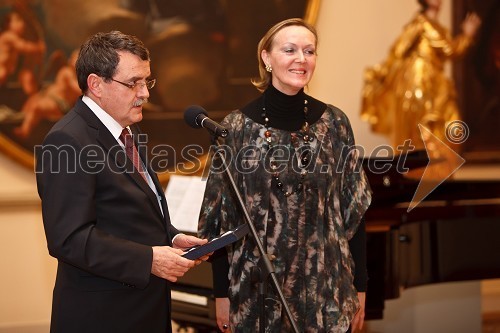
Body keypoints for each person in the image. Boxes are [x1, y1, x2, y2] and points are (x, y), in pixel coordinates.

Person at [198, 18, 372, 333]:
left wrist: (360, 285)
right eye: (289, 50)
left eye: (309, 51)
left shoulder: (334, 123)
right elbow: (220, 219)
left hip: (326, 294)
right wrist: (221, 294)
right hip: (256, 295)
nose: (301, 59)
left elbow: (354, 211)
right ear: (266, 57)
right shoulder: (236, 129)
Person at [36, 31, 209, 333]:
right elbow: (69, 238)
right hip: (102, 316)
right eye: (133, 83)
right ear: (96, 84)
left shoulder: (127, 130)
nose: (145, 93)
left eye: (147, 81)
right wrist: (149, 259)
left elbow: (129, 214)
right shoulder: (67, 140)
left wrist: (172, 237)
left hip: (144, 309)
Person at [360, 0, 481, 169]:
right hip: (420, 86)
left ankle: (435, 172)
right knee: (424, 133)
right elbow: (449, 49)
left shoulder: (433, 25)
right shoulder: (422, 23)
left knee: (444, 129)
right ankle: (424, 174)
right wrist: (467, 35)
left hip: (433, 85)